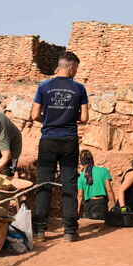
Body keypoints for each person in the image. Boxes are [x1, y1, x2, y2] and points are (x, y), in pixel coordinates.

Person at [31, 51, 89, 242]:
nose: (76, 72)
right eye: (76, 68)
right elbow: (84, 118)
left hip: (48, 140)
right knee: (69, 183)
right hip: (69, 140)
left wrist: (47, 119)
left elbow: (34, 115)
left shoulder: (44, 86)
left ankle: (39, 230)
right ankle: (70, 231)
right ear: (71, 66)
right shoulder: (79, 89)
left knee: (44, 182)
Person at [77, 150, 116, 220]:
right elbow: (109, 190)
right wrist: (114, 206)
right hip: (101, 203)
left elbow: (80, 196)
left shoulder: (81, 177)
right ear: (92, 159)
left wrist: (77, 212)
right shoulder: (104, 171)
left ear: (81, 162)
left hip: (88, 205)